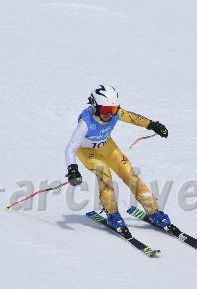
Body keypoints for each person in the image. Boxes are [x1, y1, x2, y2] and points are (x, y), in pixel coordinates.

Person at [65, 84, 170, 236]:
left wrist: (153, 125)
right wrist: (72, 169)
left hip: (106, 146)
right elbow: (71, 148)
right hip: (87, 151)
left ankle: (154, 212)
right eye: (106, 110)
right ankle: (112, 214)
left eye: (113, 109)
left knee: (129, 174)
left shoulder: (115, 114)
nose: (110, 114)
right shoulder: (85, 123)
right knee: (104, 173)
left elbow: (134, 118)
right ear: (95, 107)